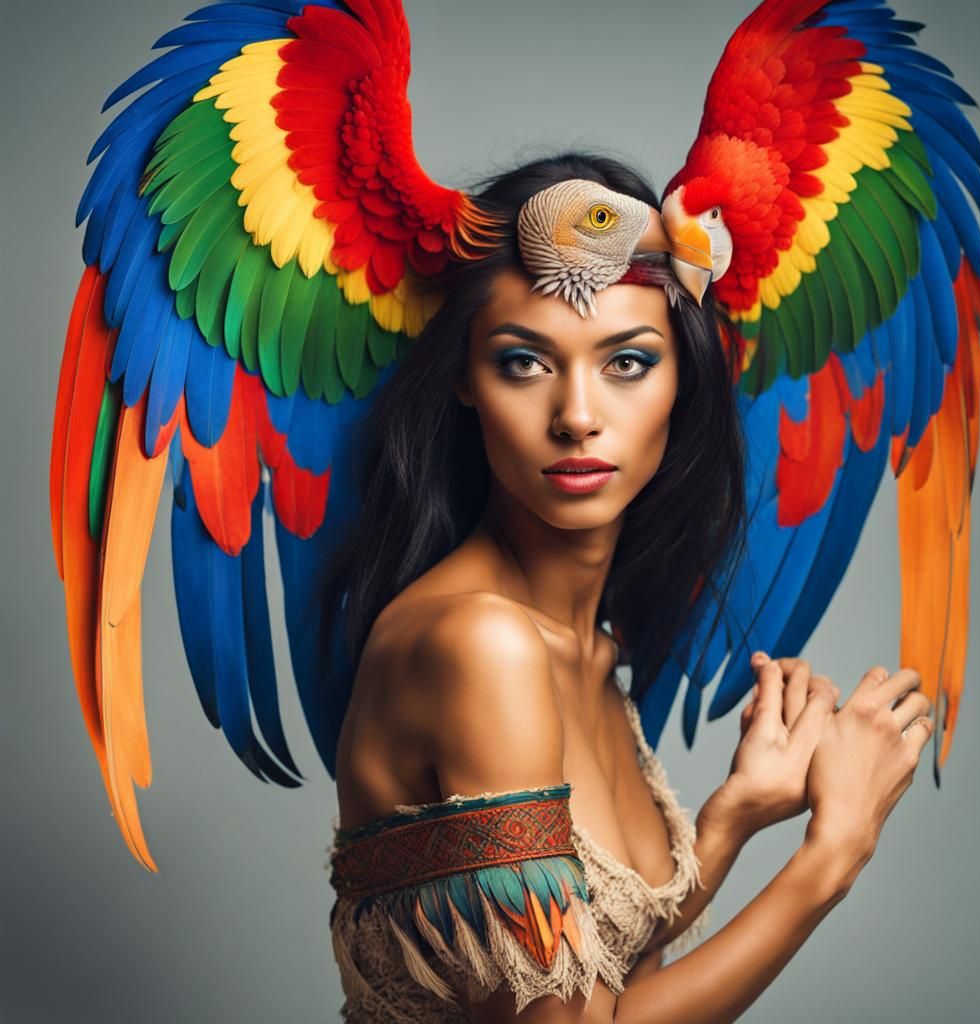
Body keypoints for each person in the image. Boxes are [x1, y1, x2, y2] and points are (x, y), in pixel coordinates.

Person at [320, 152, 935, 1024]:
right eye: (525, 362)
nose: (577, 414)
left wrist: (732, 817)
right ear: (466, 379)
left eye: (628, 363)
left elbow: (600, 978)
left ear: (682, 378)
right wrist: (830, 857)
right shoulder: (476, 646)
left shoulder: (585, 643)